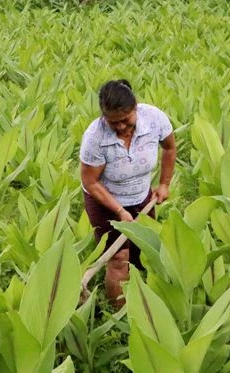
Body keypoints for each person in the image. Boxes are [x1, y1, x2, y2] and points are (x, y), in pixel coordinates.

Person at [80, 79, 176, 307]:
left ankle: (146, 297)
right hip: (105, 200)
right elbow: (90, 182)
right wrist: (120, 211)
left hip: (142, 197)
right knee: (118, 258)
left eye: (126, 119)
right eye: (114, 123)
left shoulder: (154, 119)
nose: (121, 126)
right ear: (104, 117)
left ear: (136, 108)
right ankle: (121, 316)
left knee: (143, 252)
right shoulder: (95, 138)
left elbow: (170, 147)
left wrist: (164, 184)